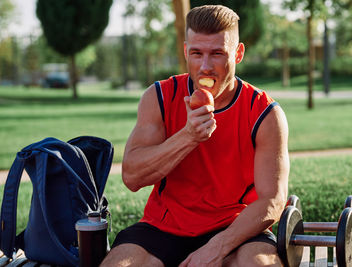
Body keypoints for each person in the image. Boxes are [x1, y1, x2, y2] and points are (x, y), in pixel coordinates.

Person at [101, 4, 289, 267]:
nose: (205, 66)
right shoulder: (159, 98)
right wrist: (188, 136)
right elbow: (132, 176)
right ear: (185, 50)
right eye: (196, 53)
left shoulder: (265, 113)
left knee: (259, 264)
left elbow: (273, 200)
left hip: (236, 228)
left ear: (238, 53)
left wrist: (216, 248)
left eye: (217, 54)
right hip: (163, 226)